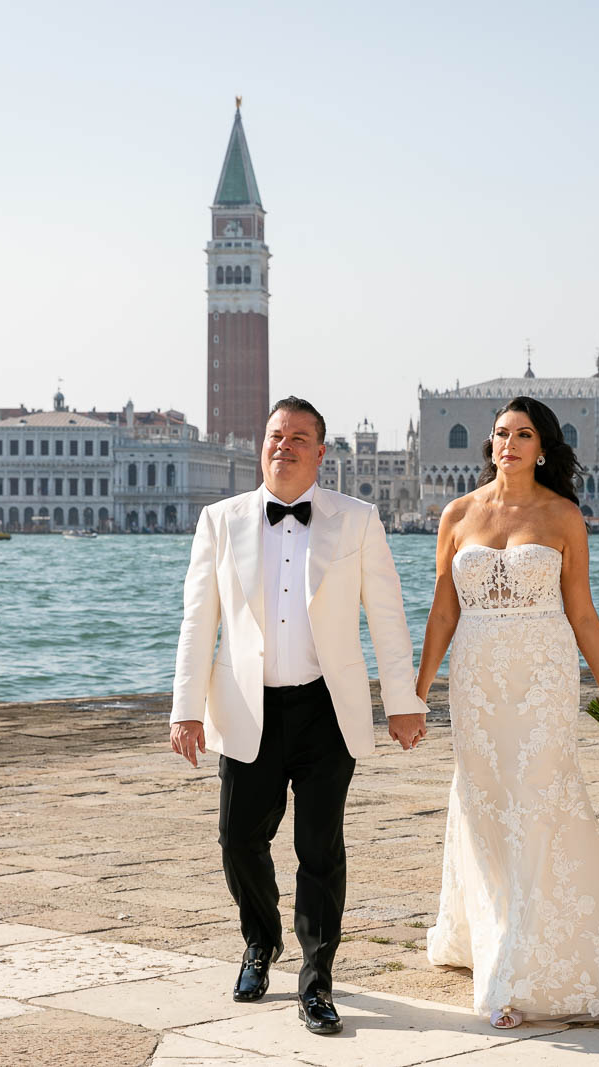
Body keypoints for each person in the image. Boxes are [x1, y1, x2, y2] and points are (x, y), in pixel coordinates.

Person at [415, 395, 599, 1029]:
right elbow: (442, 611)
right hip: (477, 681)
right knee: (486, 803)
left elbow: (583, 614)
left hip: (542, 678)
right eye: (499, 434)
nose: (507, 444)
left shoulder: (564, 515)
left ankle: (517, 967)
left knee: (540, 801)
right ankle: (497, 937)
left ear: (542, 447)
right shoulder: (457, 515)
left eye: (521, 435)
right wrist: (416, 690)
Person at [169, 396, 429, 1037]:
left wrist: (402, 703)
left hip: (325, 709)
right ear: (263, 445)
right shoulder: (219, 520)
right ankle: (260, 943)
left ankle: (318, 982)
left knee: (320, 851)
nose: (282, 445)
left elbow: (388, 617)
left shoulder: (359, 520)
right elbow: (199, 621)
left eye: (298, 437)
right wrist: (186, 710)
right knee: (238, 842)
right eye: (274, 435)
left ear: (321, 452)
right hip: (245, 705)